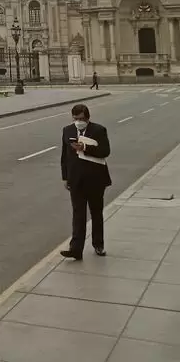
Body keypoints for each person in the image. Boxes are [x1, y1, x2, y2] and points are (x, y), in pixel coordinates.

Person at [60, 103, 111, 260]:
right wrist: (65, 177)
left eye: (81, 119)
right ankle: (76, 249)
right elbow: (65, 156)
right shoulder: (67, 130)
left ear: (87, 118)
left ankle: (98, 244)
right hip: (76, 180)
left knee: (96, 213)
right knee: (78, 215)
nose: (78, 122)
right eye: (75, 119)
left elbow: (105, 151)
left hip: (95, 180)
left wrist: (85, 148)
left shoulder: (98, 130)